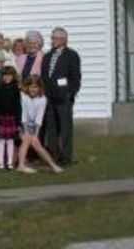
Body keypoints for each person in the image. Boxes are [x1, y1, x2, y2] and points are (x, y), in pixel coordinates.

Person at [42, 27, 81, 167]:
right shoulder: (47, 56)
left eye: (55, 38)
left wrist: (70, 93)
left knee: (65, 128)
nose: (52, 41)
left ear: (64, 40)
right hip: (50, 97)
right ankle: (54, 155)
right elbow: (44, 76)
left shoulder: (71, 55)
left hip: (64, 97)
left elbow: (75, 77)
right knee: (51, 128)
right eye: (52, 38)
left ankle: (66, 157)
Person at [17, 75, 63, 174]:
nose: (33, 89)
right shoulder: (23, 96)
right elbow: (23, 115)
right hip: (21, 124)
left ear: (39, 88)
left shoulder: (42, 99)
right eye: (31, 87)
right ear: (27, 87)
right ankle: (21, 165)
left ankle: (53, 166)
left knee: (36, 143)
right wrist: (25, 131)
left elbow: (39, 117)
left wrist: (36, 134)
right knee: (27, 139)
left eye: (36, 87)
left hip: (32, 125)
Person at [0, 65, 21, 170]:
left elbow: (18, 106)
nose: (7, 77)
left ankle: (9, 163)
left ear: (13, 76)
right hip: (0, 118)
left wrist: (18, 122)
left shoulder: (16, 89)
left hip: (12, 118)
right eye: (5, 75)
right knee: (1, 140)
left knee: (10, 141)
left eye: (9, 75)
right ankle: (0, 163)